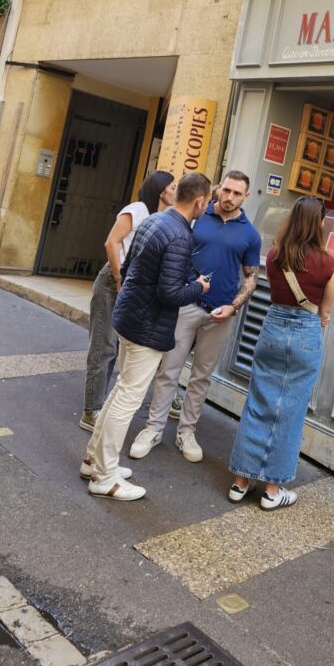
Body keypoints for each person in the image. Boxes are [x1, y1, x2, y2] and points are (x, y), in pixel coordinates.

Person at [81, 172, 212, 501]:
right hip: (148, 326)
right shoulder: (181, 235)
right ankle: (105, 476)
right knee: (127, 400)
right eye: (206, 201)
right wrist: (199, 287)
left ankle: (93, 460)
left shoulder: (154, 220)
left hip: (129, 316)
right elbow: (170, 292)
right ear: (198, 201)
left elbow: (128, 268)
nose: (206, 206)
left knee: (119, 392)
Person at [129, 170, 261, 464]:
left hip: (221, 313)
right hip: (186, 304)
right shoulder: (197, 216)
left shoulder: (250, 234)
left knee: (201, 377)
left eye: (237, 193)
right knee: (169, 370)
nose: (229, 198)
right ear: (217, 189)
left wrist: (235, 306)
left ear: (246, 196)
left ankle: (186, 432)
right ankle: (153, 428)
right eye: (226, 190)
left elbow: (252, 277)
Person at [228, 196, 334, 510]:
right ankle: (272, 491)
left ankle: (240, 482)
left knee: (259, 402)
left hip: (273, 328)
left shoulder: (275, 255)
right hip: (305, 333)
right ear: (318, 222)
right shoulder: (328, 263)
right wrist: (322, 316)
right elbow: (327, 308)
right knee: (289, 412)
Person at [80, 170, 176, 431]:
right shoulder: (137, 209)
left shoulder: (162, 217)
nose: (176, 190)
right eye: (173, 186)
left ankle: (103, 404)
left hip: (131, 285)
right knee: (103, 347)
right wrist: (119, 277)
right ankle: (91, 412)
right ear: (161, 191)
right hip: (114, 281)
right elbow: (112, 242)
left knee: (117, 349)